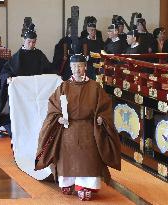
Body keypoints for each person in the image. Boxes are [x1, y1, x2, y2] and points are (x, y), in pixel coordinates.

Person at [35, 54, 121, 201]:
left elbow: (105, 107)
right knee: (66, 153)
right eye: (74, 66)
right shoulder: (64, 86)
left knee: (89, 155)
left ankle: (85, 186)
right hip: (68, 128)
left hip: (89, 127)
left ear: (85, 67)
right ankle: (68, 182)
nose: (77, 69)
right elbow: (53, 106)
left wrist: (102, 118)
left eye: (80, 66)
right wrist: (58, 118)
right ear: (70, 67)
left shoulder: (95, 87)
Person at [0, 23, 55, 136]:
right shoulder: (17, 56)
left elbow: (49, 68)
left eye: (34, 42)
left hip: (37, 90)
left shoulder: (39, 54)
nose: (31, 44)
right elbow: (5, 70)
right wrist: (8, 77)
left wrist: (55, 77)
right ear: (24, 40)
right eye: (29, 42)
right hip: (22, 92)